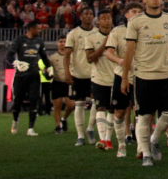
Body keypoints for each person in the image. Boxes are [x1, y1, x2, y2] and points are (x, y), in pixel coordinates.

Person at [121, 0, 168, 167]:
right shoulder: (136, 22)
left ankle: (153, 139)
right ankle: (145, 153)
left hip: (165, 74)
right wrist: (124, 77)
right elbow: (129, 51)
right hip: (144, 75)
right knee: (144, 116)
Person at [64, 9, 104, 146]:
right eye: (85, 14)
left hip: (95, 73)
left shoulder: (97, 33)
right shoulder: (74, 33)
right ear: (80, 17)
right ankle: (80, 135)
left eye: (90, 14)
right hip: (78, 73)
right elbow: (67, 54)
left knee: (96, 102)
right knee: (79, 104)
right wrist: (67, 72)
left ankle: (90, 128)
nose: (88, 16)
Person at [107, 2, 142, 159]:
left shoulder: (146, 29)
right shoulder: (118, 31)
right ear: (126, 14)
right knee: (120, 112)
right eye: (133, 11)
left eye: (139, 11)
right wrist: (120, 61)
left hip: (142, 75)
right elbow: (109, 52)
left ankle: (142, 147)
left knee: (142, 113)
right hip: (122, 75)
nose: (136, 13)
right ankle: (121, 145)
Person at [8, 22, 50, 136]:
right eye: (38, 29)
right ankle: (15, 120)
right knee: (17, 101)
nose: (40, 31)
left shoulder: (39, 41)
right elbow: (9, 55)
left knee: (34, 100)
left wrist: (49, 67)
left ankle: (30, 128)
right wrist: (16, 62)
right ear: (31, 29)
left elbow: (44, 57)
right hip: (21, 76)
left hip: (34, 76)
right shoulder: (19, 40)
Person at [88, 11, 117, 151]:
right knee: (100, 107)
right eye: (103, 18)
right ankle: (101, 139)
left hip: (115, 77)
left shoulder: (118, 35)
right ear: (98, 22)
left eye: (108, 18)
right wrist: (105, 45)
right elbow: (90, 58)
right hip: (99, 78)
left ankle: (108, 139)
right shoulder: (91, 37)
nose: (106, 21)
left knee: (112, 109)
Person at [49, 37, 72, 134]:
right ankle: (58, 126)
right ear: (57, 43)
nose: (63, 43)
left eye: (64, 41)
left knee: (71, 105)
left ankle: (64, 119)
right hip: (57, 82)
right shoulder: (52, 57)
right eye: (61, 41)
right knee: (57, 105)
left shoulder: (72, 56)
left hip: (69, 82)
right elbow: (47, 68)